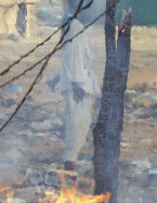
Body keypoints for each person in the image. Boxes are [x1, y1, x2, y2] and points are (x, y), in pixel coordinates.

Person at [59, 0, 100, 173]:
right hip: (79, 85)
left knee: (80, 123)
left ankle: (71, 161)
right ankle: (70, 164)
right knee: (78, 124)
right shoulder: (75, 26)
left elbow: (67, 56)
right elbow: (73, 56)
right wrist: (76, 84)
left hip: (80, 81)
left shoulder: (74, 25)